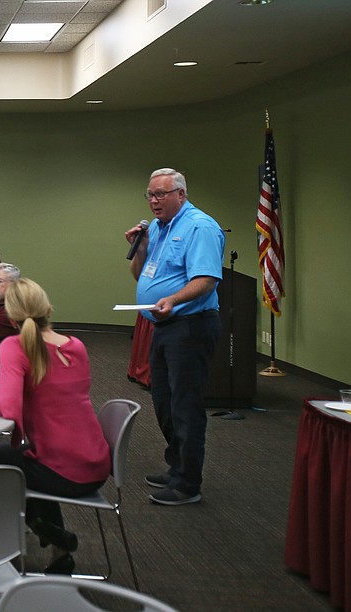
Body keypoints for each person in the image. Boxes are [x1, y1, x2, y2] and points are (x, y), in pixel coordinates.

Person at [0, 278, 110, 575]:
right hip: (96, 466)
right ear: (47, 307)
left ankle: (15, 536)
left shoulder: (15, 346)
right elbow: (50, 396)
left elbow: (9, 410)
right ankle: (56, 546)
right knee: (27, 458)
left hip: (62, 471)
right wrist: (0, 396)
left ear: (11, 317)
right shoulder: (75, 346)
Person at [125, 167, 224, 506]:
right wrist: (138, 250)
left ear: (181, 194)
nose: (154, 201)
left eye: (161, 194)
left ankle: (187, 484)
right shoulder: (156, 228)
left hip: (191, 325)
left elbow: (206, 280)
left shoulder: (200, 227)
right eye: (150, 195)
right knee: (164, 401)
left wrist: (173, 299)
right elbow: (143, 274)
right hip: (163, 327)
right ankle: (176, 465)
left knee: (185, 404)